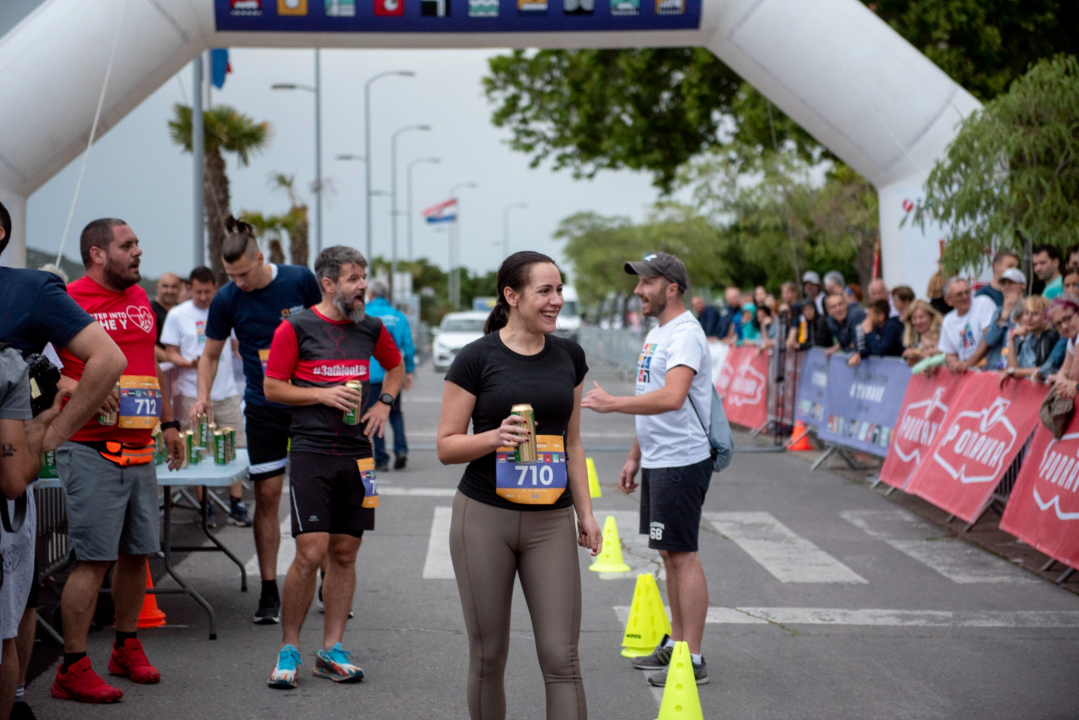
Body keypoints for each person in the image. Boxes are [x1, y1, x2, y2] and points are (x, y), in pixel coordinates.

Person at [437, 251, 602, 719]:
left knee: (561, 657)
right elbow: (446, 446)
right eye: (544, 291)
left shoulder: (569, 356)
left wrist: (585, 514)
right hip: (483, 520)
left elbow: (573, 443)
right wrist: (494, 436)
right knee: (489, 657)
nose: (557, 301)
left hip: (550, 520)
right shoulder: (476, 358)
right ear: (511, 296)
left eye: (559, 289)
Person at [0, 201, 127, 720]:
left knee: (17, 607)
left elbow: (109, 358)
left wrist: (53, 433)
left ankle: (18, 697)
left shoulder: (28, 288)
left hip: (10, 480)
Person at [52, 218, 184, 704]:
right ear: (97, 254)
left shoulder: (141, 300)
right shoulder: (67, 300)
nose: (138, 252)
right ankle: (72, 665)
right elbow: (39, 370)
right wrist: (74, 388)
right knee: (94, 559)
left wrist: (169, 424)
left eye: (137, 244)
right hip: (88, 447)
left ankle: (126, 646)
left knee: (137, 552)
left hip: (141, 446)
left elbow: (149, 364)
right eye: (127, 246)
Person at [263, 246, 404, 689]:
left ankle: (332, 650)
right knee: (310, 551)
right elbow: (272, 387)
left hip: (357, 454)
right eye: (354, 278)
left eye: (364, 277)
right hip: (311, 451)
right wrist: (321, 395)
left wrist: (383, 403)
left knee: (345, 552)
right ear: (328, 284)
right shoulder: (296, 326)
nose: (363, 286)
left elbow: (396, 368)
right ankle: (289, 648)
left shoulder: (371, 327)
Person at [581, 251, 713, 687]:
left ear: (671, 288)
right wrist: (636, 455)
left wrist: (613, 404)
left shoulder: (685, 334)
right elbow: (655, 397)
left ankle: (691, 657)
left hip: (682, 458)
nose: (638, 290)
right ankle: (677, 645)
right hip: (659, 457)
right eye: (638, 282)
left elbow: (673, 397)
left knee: (683, 554)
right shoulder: (660, 332)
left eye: (646, 283)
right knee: (668, 553)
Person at [190, 217, 322, 624]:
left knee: (318, 497)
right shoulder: (228, 299)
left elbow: (330, 325)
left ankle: (328, 584)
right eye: (232, 276)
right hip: (264, 408)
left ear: (260, 258)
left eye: (244, 273)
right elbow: (210, 355)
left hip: (311, 405)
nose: (239, 282)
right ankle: (269, 591)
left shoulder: (299, 280)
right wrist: (202, 396)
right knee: (266, 497)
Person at [161, 266, 252, 528]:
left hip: (227, 392)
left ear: (215, 287)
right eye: (198, 291)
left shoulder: (225, 308)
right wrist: (191, 363)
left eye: (208, 291)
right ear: (189, 289)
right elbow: (170, 353)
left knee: (235, 448)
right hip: (193, 394)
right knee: (198, 451)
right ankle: (206, 505)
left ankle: (236, 503)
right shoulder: (179, 315)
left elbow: (238, 346)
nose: (203, 297)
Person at [363, 278, 415, 472]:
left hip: (370, 375)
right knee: (395, 413)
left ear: (371, 294)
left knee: (375, 414)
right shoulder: (398, 316)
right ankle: (401, 450)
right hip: (393, 374)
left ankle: (381, 458)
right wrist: (408, 372)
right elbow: (408, 347)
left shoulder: (364, 314)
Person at [970, 267, 1027, 370]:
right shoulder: (998, 311)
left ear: (1023, 285)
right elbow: (990, 340)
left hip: (1018, 367)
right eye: (1003, 284)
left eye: (1011, 283)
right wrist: (1005, 313)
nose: (1007, 287)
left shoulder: (1029, 308)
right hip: (995, 368)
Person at [938, 277, 997, 373]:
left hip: (989, 371)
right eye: (959, 295)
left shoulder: (983, 303)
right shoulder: (948, 321)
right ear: (948, 300)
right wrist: (955, 364)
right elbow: (949, 353)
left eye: (967, 292)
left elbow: (989, 337)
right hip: (968, 375)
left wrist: (969, 363)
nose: (965, 297)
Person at [1001, 296, 1061, 386]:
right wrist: (1011, 339)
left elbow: (1043, 370)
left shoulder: (1051, 336)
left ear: (1046, 316)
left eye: (1035, 314)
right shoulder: (1027, 337)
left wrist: (1013, 371)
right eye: (1026, 313)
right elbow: (1012, 368)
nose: (1029, 318)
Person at [824, 294, 866, 366]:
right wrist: (836, 347)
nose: (838, 309)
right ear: (828, 310)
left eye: (840, 304)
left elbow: (861, 343)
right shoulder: (831, 320)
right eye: (833, 307)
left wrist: (858, 352)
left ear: (846, 304)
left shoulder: (856, 315)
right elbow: (844, 340)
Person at [149, 272, 182, 363]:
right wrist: (174, 360)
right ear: (157, 288)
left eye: (174, 287)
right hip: (159, 368)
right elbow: (147, 343)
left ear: (180, 289)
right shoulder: (148, 310)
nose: (170, 291)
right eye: (165, 286)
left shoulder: (182, 311)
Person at [901, 300, 943, 367]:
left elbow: (940, 359)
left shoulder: (941, 333)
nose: (918, 322)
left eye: (921, 317)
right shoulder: (916, 336)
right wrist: (915, 361)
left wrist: (917, 352)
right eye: (914, 318)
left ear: (931, 316)